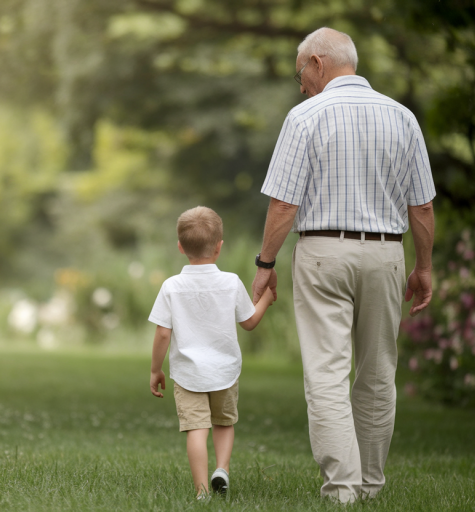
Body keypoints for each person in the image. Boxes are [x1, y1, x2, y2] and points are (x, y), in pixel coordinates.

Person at [251, 28, 436, 503]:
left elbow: (283, 205)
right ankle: (371, 486)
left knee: (326, 373)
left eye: (300, 74)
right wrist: (425, 267)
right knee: (378, 373)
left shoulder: (305, 117)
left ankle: (342, 489)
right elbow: (422, 208)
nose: (300, 85)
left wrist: (265, 262)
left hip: (323, 253)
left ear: (317, 63)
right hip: (386, 255)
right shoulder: (403, 117)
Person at [148, 206, 274, 499]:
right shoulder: (230, 282)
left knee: (196, 430)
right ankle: (222, 469)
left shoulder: (171, 287)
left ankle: (202, 491)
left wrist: (156, 370)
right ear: (219, 247)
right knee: (224, 423)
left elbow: (163, 333)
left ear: (180, 247)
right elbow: (250, 322)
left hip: (188, 373)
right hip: (225, 372)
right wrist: (266, 298)